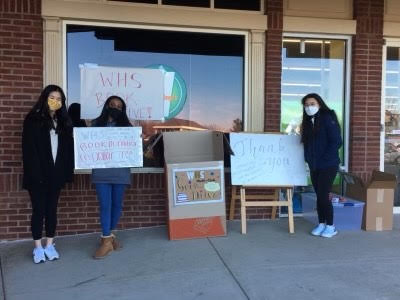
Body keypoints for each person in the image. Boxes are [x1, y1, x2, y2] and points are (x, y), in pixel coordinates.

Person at [22, 85, 74, 263]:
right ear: (44, 98)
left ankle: (50, 244)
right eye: (52, 97)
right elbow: (28, 150)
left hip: (55, 175)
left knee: (51, 210)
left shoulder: (64, 122)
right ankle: (37, 247)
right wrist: (36, 174)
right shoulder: (33, 119)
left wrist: (66, 173)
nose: (55, 101)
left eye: (59, 99)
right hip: (37, 175)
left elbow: (67, 151)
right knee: (39, 211)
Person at [91, 95, 132, 259]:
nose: (115, 108)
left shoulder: (128, 127)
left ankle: (109, 237)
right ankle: (106, 240)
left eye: (119, 106)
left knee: (117, 205)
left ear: (123, 110)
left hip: (121, 172)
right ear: (107, 106)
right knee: (105, 205)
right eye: (112, 104)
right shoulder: (95, 124)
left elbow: (133, 149)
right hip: (101, 172)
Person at [300, 93, 342, 238]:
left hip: (328, 164)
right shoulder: (308, 122)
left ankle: (331, 226)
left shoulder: (327, 118)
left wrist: (324, 158)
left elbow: (336, 141)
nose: (309, 107)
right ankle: (321, 223)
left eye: (312, 104)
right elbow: (307, 144)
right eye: (306, 105)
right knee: (319, 195)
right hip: (314, 165)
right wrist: (308, 159)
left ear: (319, 104)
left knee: (324, 195)